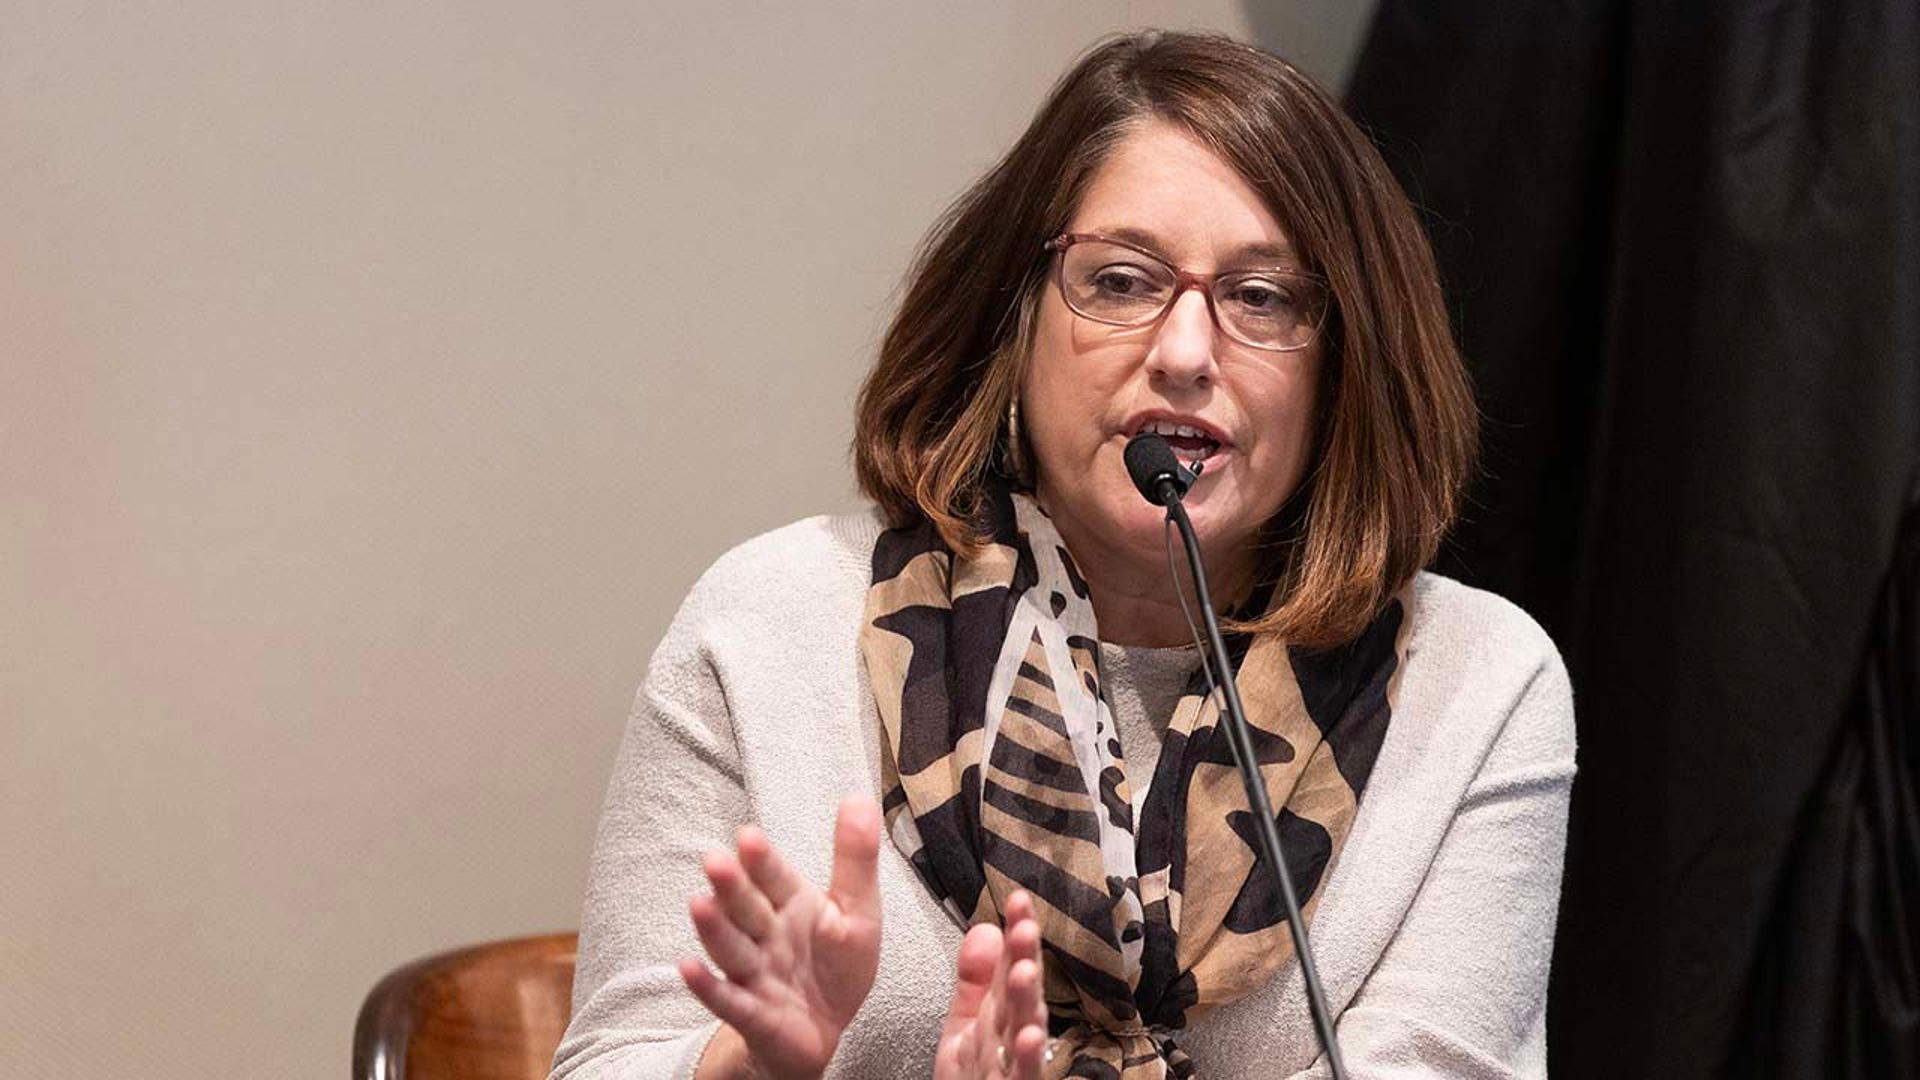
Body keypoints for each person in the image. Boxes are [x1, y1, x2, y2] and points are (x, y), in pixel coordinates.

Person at [549, 29, 1575, 1080]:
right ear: (1015, 313)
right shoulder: (769, 624)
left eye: (1262, 298)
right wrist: (749, 1073)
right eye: (1122, 281)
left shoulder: (1476, 685)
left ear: (1347, 358)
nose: (1184, 353)